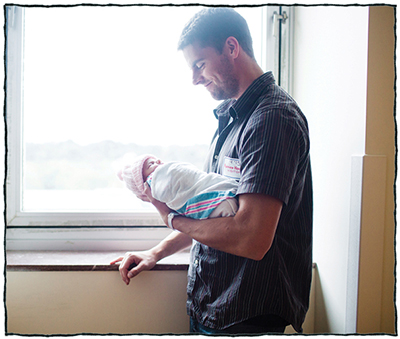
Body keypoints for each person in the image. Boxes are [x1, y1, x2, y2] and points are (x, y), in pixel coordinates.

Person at [111, 7, 312, 334]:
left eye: (199, 64)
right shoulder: (231, 118)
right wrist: (157, 252)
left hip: (248, 314)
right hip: (213, 306)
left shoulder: (272, 120)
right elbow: (212, 212)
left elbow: (252, 237)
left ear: (232, 48)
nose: (195, 79)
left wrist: (172, 218)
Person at [117, 154, 239, 221]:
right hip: (224, 202)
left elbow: (194, 179)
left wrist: (168, 218)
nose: (159, 162)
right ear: (146, 185)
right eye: (151, 164)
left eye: (156, 159)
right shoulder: (157, 181)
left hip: (221, 193)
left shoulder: (169, 173)